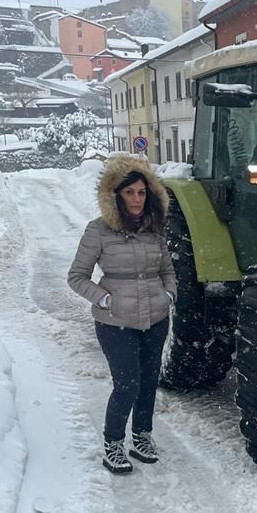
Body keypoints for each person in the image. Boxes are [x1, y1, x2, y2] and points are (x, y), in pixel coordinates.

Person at [68, 156, 177, 474]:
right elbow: (77, 276)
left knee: (147, 382)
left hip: (155, 319)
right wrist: (103, 299)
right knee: (127, 383)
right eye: (129, 192)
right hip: (115, 322)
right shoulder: (98, 231)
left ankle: (142, 436)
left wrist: (168, 294)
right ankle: (113, 442)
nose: (136, 199)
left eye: (142, 192)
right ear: (116, 195)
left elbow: (167, 270)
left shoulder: (154, 230)